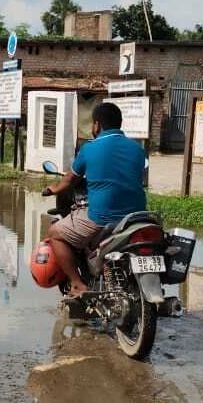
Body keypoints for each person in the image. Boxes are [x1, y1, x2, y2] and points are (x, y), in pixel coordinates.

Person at [43, 102, 147, 296]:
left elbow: (69, 180)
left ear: (97, 125)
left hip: (102, 217)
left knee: (55, 233)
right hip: (136, 216)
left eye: (92, 124)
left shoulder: (89, 149)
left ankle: (77, 284)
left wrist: (52, 189)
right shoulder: (138, 149)